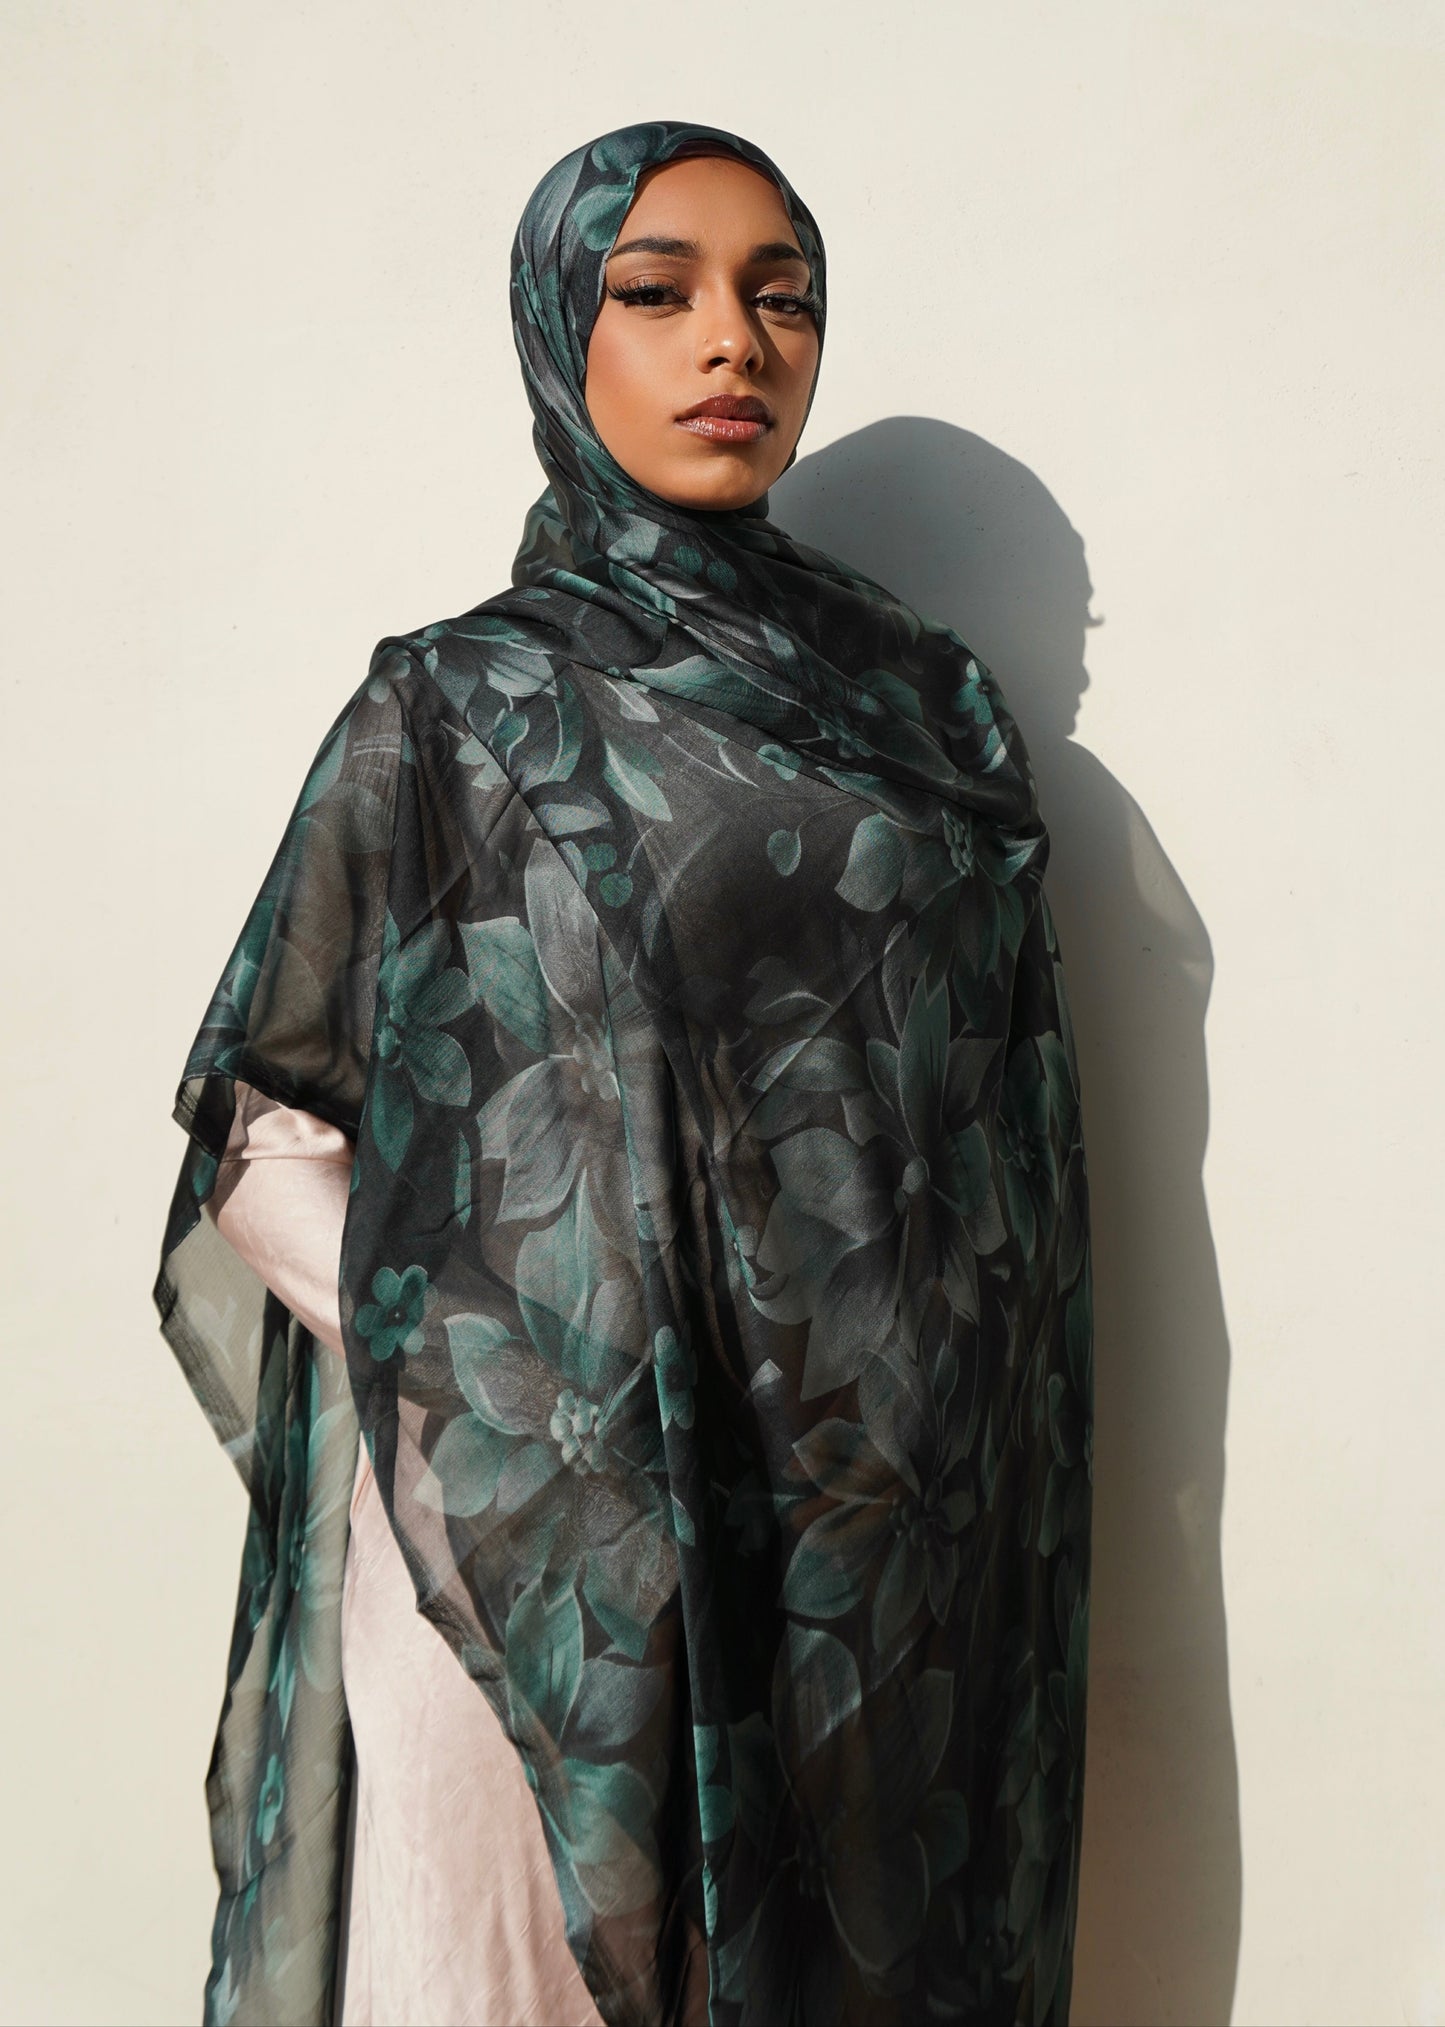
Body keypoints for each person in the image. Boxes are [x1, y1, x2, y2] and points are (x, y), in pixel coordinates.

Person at [153, 120, 1095, 2027]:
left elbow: (992, 1138)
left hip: (879, 1545)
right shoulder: (462, 706)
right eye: (655, 294)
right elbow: (264, 1130)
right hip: (552, 1552)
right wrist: (537, 1370)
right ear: (554, 332)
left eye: (780, 297)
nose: (732, 341)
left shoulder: (930, 710)